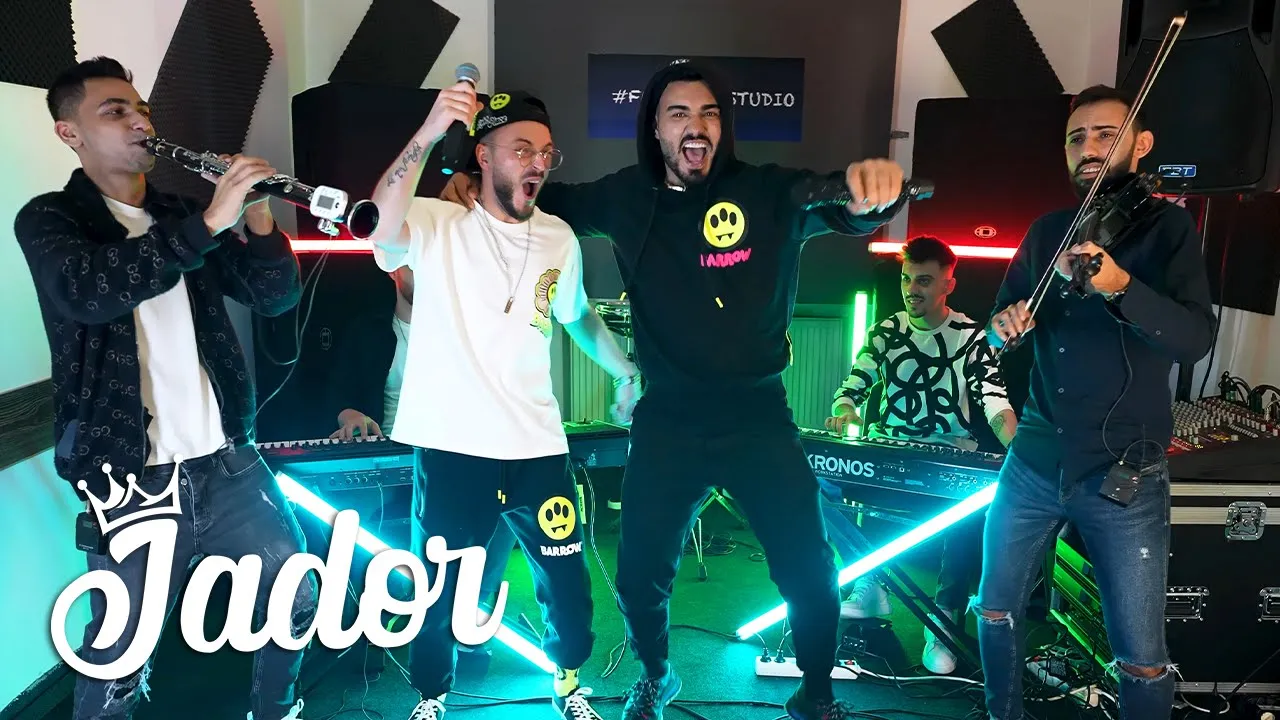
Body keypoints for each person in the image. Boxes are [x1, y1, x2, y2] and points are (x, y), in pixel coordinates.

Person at [443, 59, 907, 720]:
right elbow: (538, 196)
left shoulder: (769, 191)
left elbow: (843, 203)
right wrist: (467, 173)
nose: (697, 126)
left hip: (758, 415)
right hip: (668, 418)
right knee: (638, 576)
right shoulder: (626, 196)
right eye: (679, 114)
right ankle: (656, 677)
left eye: (709, 113)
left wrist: (874, 196)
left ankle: (817, 694)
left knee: (810, 570)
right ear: (655, 129)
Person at [13, 57, 313, 720]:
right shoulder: (51, 220)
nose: (139, 120)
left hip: (227, 462)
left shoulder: (180, 212)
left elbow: (274, 296)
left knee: (296, 590)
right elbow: (91, 291)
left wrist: (259, 214)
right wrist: (208, 224)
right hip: (130, 479)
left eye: (142, 107)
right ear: (70, 133)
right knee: (120, 650)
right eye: (115, 110)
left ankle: (276, 710)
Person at [365, 85, 640, 720]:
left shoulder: (558, 237)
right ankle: (432, 695)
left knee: (565, 583)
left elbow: (577, 315)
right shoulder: (435, 222)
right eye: (522, 149)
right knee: (440, 587)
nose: (538, 163)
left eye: (546, 152)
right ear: (484, 156)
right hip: (453, 447)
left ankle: (568, 683)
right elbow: (379, 224)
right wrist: (429, 131)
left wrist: (625, 372)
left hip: (537, 446)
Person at [980, 84, 1213, 719]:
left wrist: (1120, 285)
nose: (1089, 148)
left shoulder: (1169, 229)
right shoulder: (1047, 232)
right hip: (1034, 457)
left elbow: (1194, 339)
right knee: (995, 607)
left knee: (1140, 654)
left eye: (1106, 135)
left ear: (1141, 144)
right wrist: (1004, 326)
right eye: (1076, 138)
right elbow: (999, 323)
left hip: (1124, 468)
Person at [823, 235, 1015, 675]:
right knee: (817, 487)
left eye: (923, 281)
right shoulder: (886, 332)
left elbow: (996, 404)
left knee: (969, 507)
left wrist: (1020, 453)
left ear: (949, 284)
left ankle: (945, 616)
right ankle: (869, 583)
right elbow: (851, 389)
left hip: (948, 457)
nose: (911, 290)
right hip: (887, 451)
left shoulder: (971, 337)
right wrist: (845, 410)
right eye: (906, 279)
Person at [324, 265, 516, 628]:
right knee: (338, 513)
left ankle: (472, 614)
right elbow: (339, 393)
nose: (424, 269)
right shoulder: (368, 330)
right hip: (388, 455)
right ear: (392, 270)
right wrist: (350, 415)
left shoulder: (465, 331)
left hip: (452, 454)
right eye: (411, 262)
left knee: (505, 501)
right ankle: (374, 612)